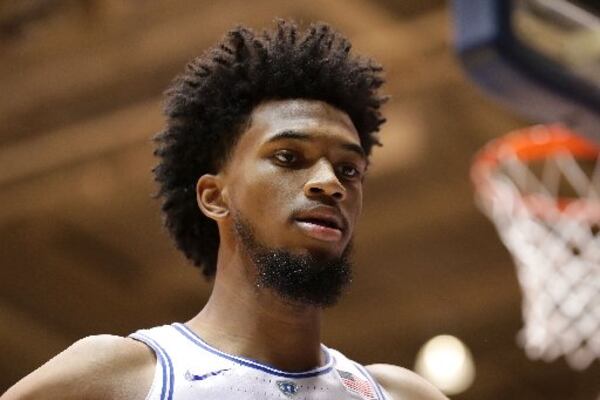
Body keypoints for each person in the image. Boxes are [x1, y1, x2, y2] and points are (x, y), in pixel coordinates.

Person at [2, 21, 447, 400]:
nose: (330, 183)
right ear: (214, 196)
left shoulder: (400, 394)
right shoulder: (120, 378)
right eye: (289, 157)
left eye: (349, 169)